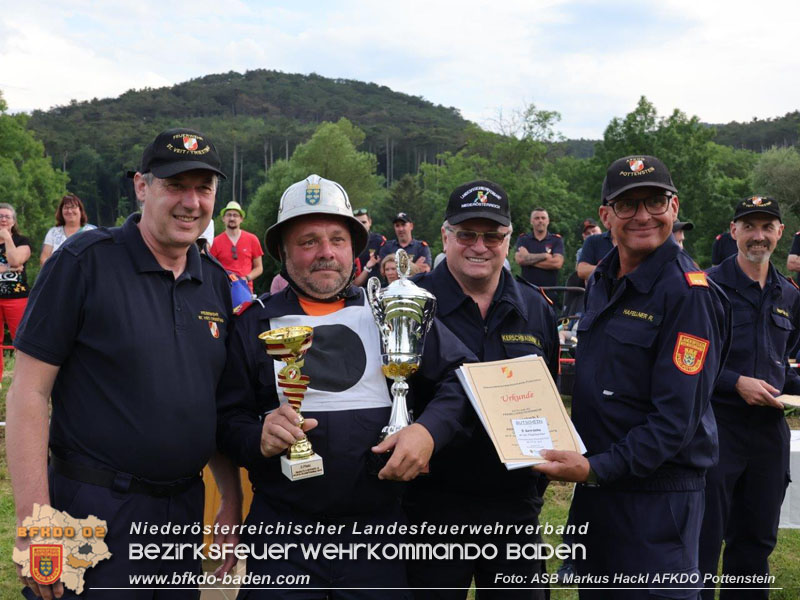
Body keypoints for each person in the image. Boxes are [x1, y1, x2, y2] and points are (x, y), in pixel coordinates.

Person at [7, 127, 242, 600]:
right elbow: (28, 391)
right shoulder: (83, 263)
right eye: (176, 185)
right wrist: (36, 520)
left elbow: (212, 404)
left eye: (204, 188)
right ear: (141, 186)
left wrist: (231, 500)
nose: (191, 202)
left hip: (182, 512)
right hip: (94, 512)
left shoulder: (216, 283)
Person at [215, 174, 473, 598]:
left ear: (354, 248)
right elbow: (225, 419)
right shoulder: (252, 324)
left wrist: (428, 431)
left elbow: (462, 377)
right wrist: (255, 435)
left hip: (378, 540)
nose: (326, 253)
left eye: (337, 239)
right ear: (282, 251)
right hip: (283, 539)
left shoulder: (388, 309)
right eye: (308, 241)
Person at [534, 155, 729, 599]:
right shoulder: (603, 278)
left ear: (674, 207)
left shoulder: (688, 294)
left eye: (655, 201)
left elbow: (674, 422)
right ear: (606, 216)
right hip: (601, 496)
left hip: (658, 503)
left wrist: (596, 469)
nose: (643, 215)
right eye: (628, 204)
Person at [406, 179, 558, 599]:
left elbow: (549, 408)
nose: (480, 246)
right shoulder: (409, 304)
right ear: (445, 236)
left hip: (513, 508)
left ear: (509, 239)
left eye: (493, 235)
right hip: (431, 507)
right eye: (467, 234)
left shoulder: (536, 309)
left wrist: (532, 489)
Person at [699, 196, 800, 599]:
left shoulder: (789, 295)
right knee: (704, 542)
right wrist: (734, 381)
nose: (758, 236)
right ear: (734, 230)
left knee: (757, 542)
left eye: (767, 227)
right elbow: (686, 362)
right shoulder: (706, 288)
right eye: (750, 227)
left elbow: (783, 363)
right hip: (717, 428)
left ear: (778, 232)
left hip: (768, 433)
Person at [0, 203, 32, 386]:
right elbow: (13, 264)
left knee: (21, 341)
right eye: (0, 217)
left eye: (7, 217)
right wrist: (10, 268)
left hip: (17, 298)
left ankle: (23, 382)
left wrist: (6, 238)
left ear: (13, 221)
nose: (3, 219)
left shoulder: (22, 241)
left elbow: (16, 259)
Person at [210, 200, 264, 292]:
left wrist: (247, 278)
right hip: (224, 290)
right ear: (223, 218)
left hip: (245, 290)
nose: (232, 218)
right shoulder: (215, 242)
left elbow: (259, 268)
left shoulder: (252, 239)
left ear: (241, 219)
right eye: (229, 215)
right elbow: (210, 269)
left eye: (235, 215)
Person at [39, 194, 97, 265]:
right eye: (66, 208)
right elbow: (44, 258)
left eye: (73, 207)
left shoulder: (91, 231)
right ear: (61, 211)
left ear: (80, 210)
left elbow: (97, 257)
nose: (69, 211)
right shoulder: (53, 232)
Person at [514, 208, 564, 287]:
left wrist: (528, 259)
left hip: (549, 291)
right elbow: (520, 259)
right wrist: (545, 256)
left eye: (543, 218)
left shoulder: (556, 240)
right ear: (531, 221)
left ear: (548, 221)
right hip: (527, 289)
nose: (540, 220)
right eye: (537, 218)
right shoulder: (523, 239)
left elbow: (557, 263)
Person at [352, 207, 386, 286]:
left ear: (370, 222)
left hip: (377, 287)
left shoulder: (379, 241)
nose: (361, 225)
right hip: (355, 289)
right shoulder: (348, 242)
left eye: (364, 222)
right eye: (358, 222)